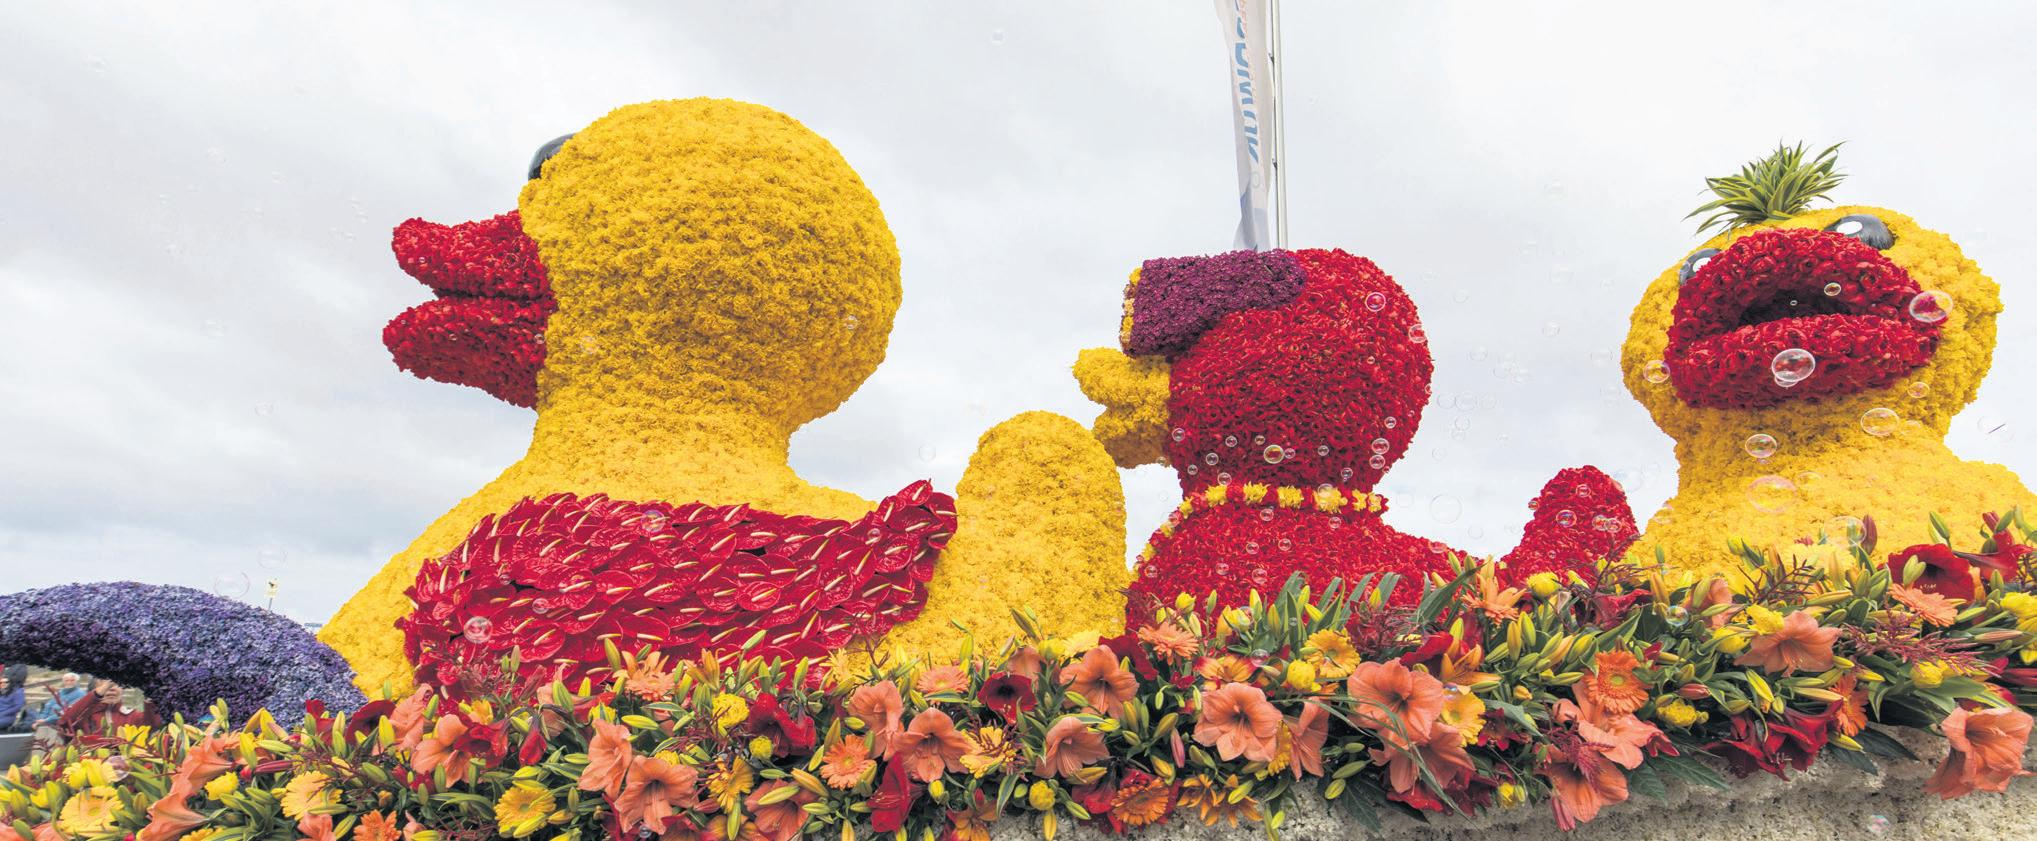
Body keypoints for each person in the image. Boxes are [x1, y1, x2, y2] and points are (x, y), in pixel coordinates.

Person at [57, 680, 160, 743]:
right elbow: (64, 723)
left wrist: (150, 695)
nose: (111, 688)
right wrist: (98, 694)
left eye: (116, 685)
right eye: (105, 685)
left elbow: (153, 725)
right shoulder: (82, 714)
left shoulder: (132, 715)